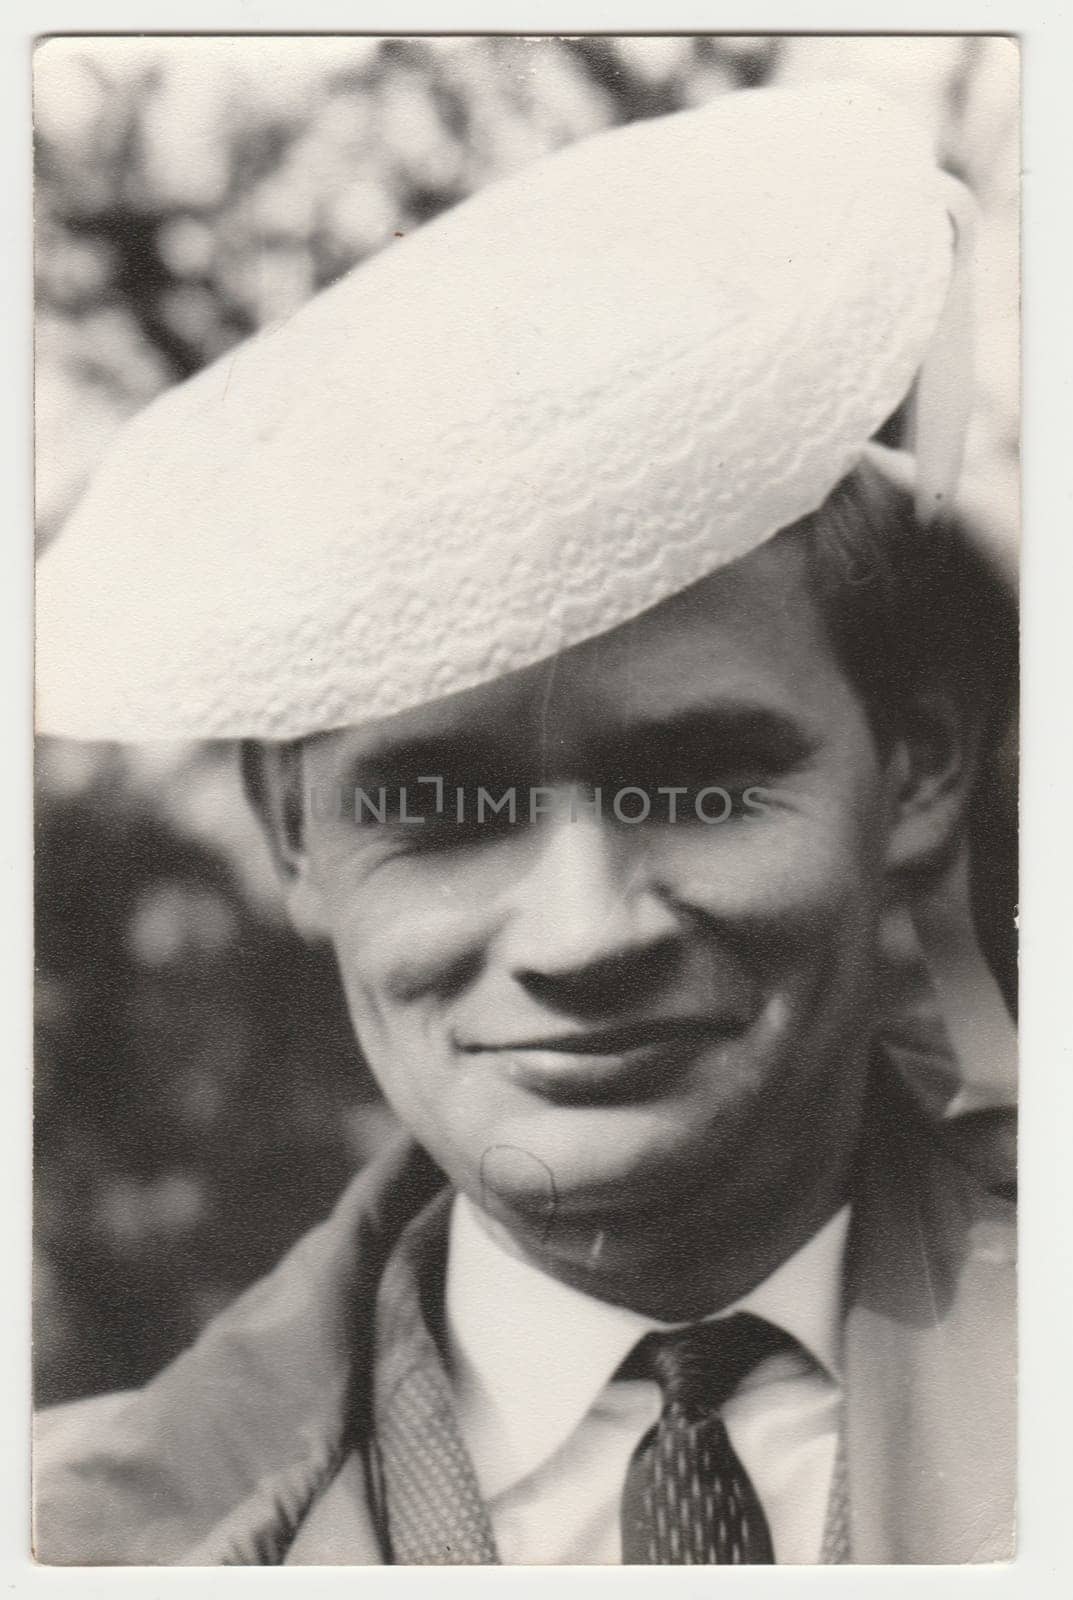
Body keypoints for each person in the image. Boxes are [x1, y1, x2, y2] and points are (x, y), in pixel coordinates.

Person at [33, 82, 1016, 1565]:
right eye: (440, 808)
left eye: (696, 781)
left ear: (919, 769)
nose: (580, 931)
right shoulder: (78, 1536)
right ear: (293, 834)